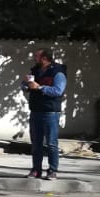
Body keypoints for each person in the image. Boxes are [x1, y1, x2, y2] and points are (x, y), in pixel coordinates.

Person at [22, 48, 68, 180]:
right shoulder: (35, 70)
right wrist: (26, 84)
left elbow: (58, 91)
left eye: (36, 56)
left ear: (44, 58)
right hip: (35, 111)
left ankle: (52, 170)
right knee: (36, 143)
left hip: (50, 112)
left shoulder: (58, 72)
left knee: (51, 143)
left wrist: (40, 87)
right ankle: (36, 169)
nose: (34, 58)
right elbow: (24, 86)